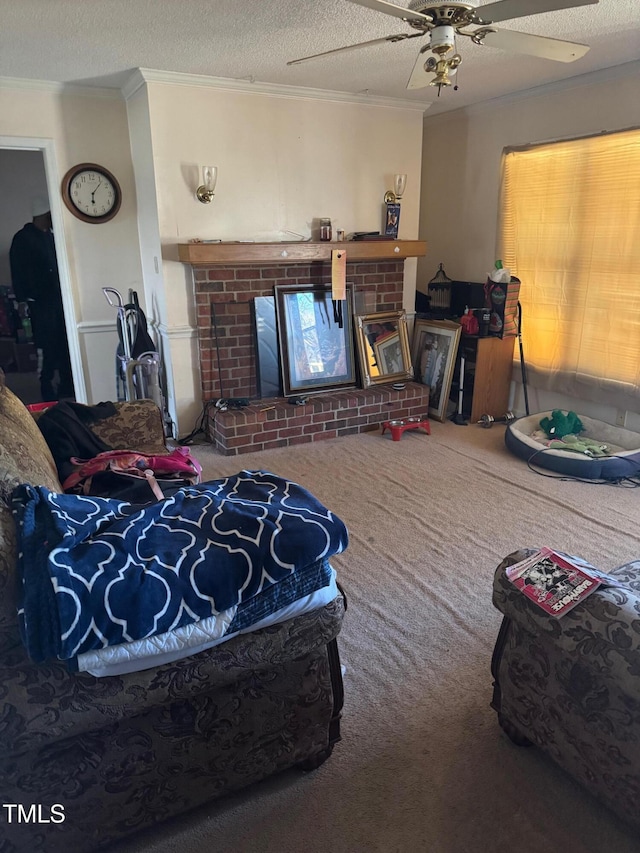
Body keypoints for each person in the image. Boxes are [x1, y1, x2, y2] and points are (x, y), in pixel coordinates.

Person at [9, 196, 74, 401]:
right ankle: (46, 387)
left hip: (57, 300)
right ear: (45, 215)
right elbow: (18, 272)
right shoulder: (23, 238)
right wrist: (22, 300)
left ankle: (66, 386)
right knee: (47, 346)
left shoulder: (50, 237)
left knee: (64, 343)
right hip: (39, 303)